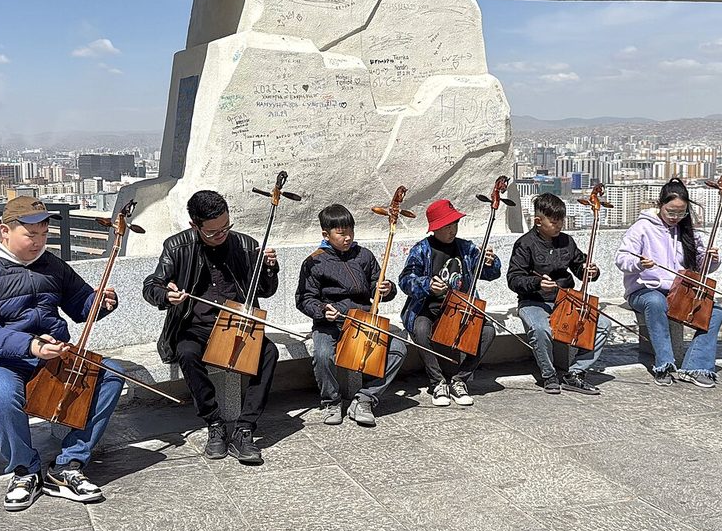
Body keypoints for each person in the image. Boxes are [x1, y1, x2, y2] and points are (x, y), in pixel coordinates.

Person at [0, 196, 122, 512]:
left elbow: (79, 305)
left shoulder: (52, 264)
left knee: (110, 375)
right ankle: (24, 470)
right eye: (30, 235)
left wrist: (99, 303)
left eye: (44, 235)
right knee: (1, 395)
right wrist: (30, 345)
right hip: (0, 360)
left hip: (53, 354)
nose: (38, 242)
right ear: (5, 231)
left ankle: (67, 465)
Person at [142, 190, 279, 465]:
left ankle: (245, 428)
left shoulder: (246, 245)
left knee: (269, 353)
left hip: (235, 323)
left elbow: (266, 290)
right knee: (187, 353)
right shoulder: (177, 246)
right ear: (195, 225)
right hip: (195, 324)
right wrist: (167, 296)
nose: (222, 235)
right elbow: (151, 285)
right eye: (213, 232)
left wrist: (269, 268)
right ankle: (214, 423)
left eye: (226, 227)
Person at [295, 204, 404, 427]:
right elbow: (304, 299)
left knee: (399, 349)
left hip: (362, 321)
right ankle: (331, 401)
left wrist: (387, 288)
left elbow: (379, 287)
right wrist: (323, 310)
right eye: (341, 233)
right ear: (326, 234)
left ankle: (364, 399)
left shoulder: (364, 255)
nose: (347, 238)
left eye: (350, 232)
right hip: (331, 323)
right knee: (324, 354)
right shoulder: (315, 261)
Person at [615, 177, 722, 388]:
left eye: (680, 213)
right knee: (656, 302)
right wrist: (639, 264)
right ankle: (664, 364)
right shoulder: (643, 227)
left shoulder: (688, 231)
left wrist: (711, 259)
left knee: (715, 311)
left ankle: (696, 365)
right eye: (670, 212)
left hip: (679, 292)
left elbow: (701, 268)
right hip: (645, 290)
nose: (675, 217)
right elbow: (621, 259)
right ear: (660, 205)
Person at [398, 199, 500, 407]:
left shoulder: (467, 248)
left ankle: (459, 379)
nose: (452, 230)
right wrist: (427, 285)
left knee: (488, 330)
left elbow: (490, 274)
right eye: (447, 226)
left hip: (460, 308)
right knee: (420, 327)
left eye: (454, 224)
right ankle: (438, 382)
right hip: (428, 308)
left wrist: (491, 261)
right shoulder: (421, 250)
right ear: (435, 228)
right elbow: (405, 280)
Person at [507, 193, 609, 395]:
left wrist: (590, 271)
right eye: (554, 222)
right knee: (540, 328)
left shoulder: (567, 242)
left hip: (565, 299)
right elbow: (513, 279)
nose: (559, 225)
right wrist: (537, 283)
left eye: (561, 220)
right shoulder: (525, 244)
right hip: (534, 301)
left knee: (603, 325)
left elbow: (580, 266)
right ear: (538, 221)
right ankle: (549, 375)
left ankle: (576, 372)